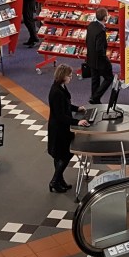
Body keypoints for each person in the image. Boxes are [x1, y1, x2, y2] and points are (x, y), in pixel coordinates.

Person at [46, 64, 89, 193]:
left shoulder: (61, 87)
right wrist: (77, 121)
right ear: (63, 76)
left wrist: (77, 108)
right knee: (66, 153)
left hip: (60, 126)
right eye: (69, 76)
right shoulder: (56, 92)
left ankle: (59, 180)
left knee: (60, 155)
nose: (71, 78)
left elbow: (66, 105)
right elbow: (60, 115)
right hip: (59, 129)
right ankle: (55, 180)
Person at [86, 6, 114, 104]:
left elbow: (88, 41)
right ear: (105, 18)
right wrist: (106, 61)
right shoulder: (101, 31)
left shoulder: (91, 25)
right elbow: (99, 49)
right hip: (99, 61)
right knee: (109, 78)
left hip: (90, 59)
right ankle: (95, 97)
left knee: (95, 79)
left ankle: (95, 100)